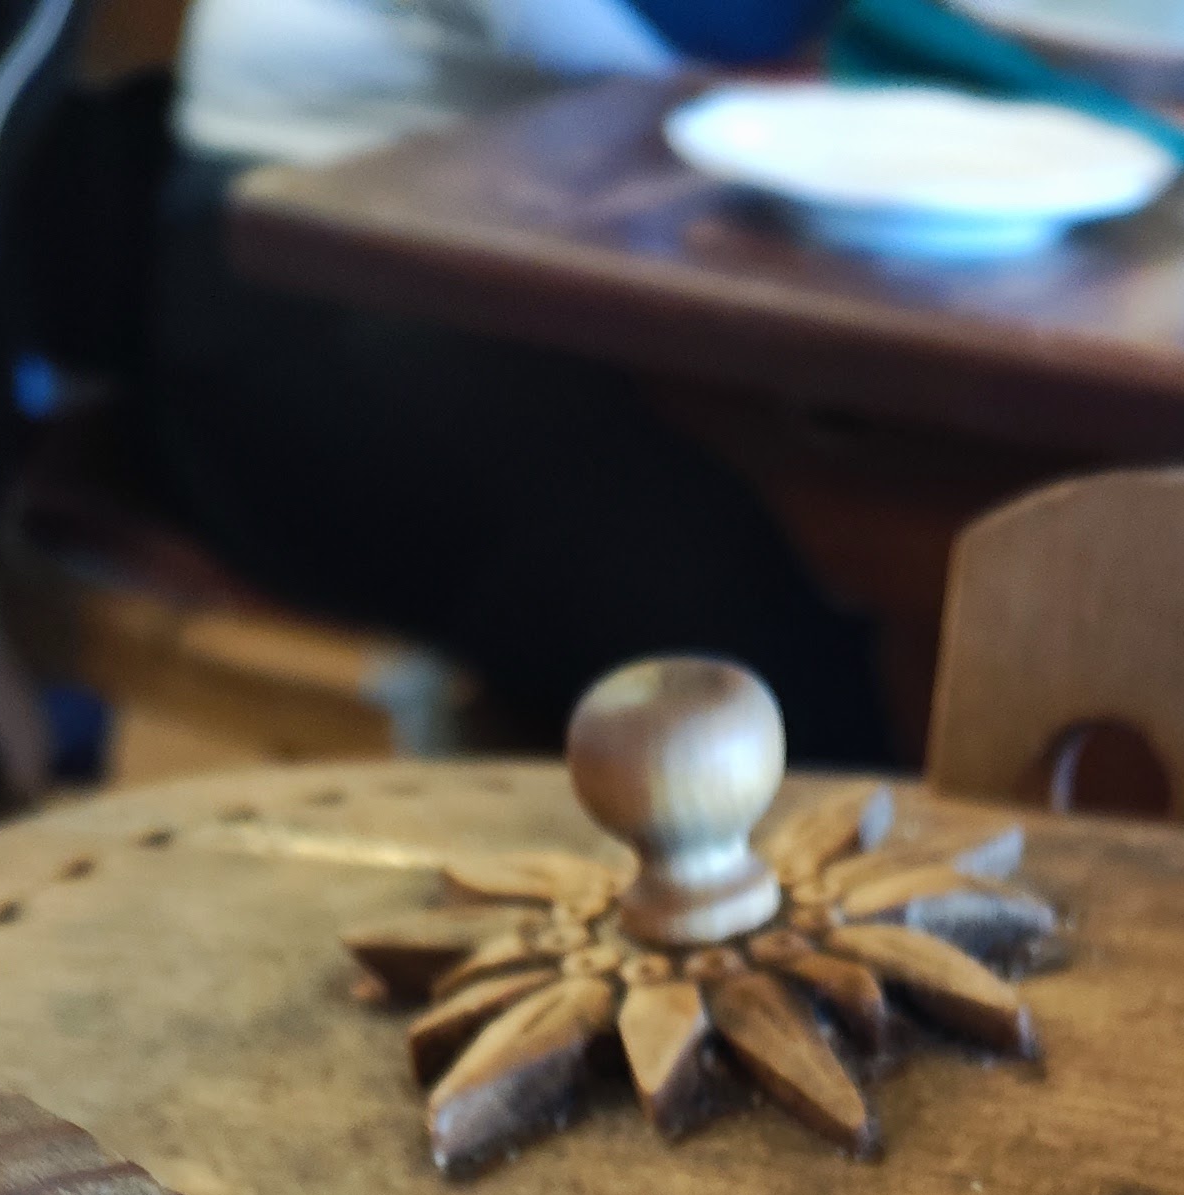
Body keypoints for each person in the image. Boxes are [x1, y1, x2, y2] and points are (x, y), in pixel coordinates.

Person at [0, 0, 886, 841]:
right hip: (293, 267)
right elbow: (679, 26)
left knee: (875, 517)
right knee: (717, 605)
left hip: (601, 252)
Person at [142, 0, 892, 760]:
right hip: (290, 265)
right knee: (692, 583)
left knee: (848, 504)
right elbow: (704, 36)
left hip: (543, 259)